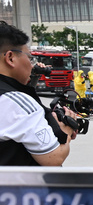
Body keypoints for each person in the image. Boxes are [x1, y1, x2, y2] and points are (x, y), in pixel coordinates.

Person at [0, 21, 78, 166]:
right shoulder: (15, 102)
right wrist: (66, 128)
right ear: (10, 58)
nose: (31, 65)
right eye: (30, 58)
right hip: (16, 187)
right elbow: (54, 158)